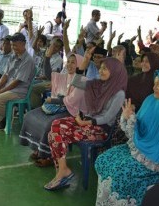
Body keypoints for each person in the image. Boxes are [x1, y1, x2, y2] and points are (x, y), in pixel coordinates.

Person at [95, 70, 159, 205]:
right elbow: (136, 131)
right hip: (141, 148)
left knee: (120, 172)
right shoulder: (150, 101)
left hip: (158, 161)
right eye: (154, 84)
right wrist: (129, 118)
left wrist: (150, 148)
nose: (154, 87)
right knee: (104, 159)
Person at [43, 58, 127, 190]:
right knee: (56, 125)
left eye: (105, 68)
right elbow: (77, 82)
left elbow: (108, 117)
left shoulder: (119, 93)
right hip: (86, 121)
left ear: (115, 71)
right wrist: (85, 61)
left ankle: (62, 172)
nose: (101, 71)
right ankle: (62, 169)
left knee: (57, 133)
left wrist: (86, 122)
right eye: (101, 68)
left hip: (100, 129)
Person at [19, 53, 85, 167]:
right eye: (68, 61)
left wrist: (53, 101)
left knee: (49, 124)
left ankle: (48, 155)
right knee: (30, 116)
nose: (69, 64)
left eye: (73, 62)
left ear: (80, 65)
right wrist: (47, 57)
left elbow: (71, 100)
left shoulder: (82, 80)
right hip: (57, 107)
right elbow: (49, 74)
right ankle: (39, 149)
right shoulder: (64, 76)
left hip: (72, 112)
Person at [0, 32, 36, 131]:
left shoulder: (28, 60)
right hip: (8, 87)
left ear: (23, 44)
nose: (13, 47)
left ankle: (3, 118)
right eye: (12, 45)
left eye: (15, 45)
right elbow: (5, 75)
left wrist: (1, 91)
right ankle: (4, 116)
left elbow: (17, 81)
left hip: (19, 91)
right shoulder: (13, 56)